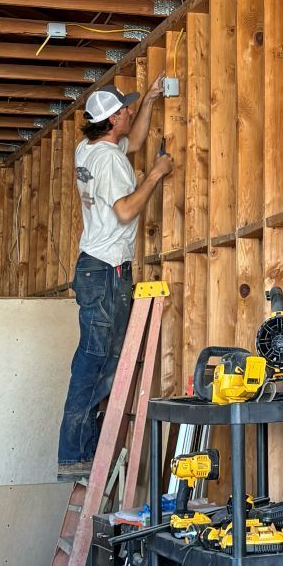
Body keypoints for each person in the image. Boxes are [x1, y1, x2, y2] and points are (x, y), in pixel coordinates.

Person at [58, 80, 172, 478]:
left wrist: (151, 101)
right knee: (95, 361)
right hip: (107, 270)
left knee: (98, 358)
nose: (127, 112)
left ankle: (80, 452)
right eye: (123, 110)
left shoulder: (90, 150)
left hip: (95, 266)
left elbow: (133, 142)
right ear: (111, 120)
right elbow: (125, 211)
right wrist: (155, 175)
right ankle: (76, 454)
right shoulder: (109, 161)